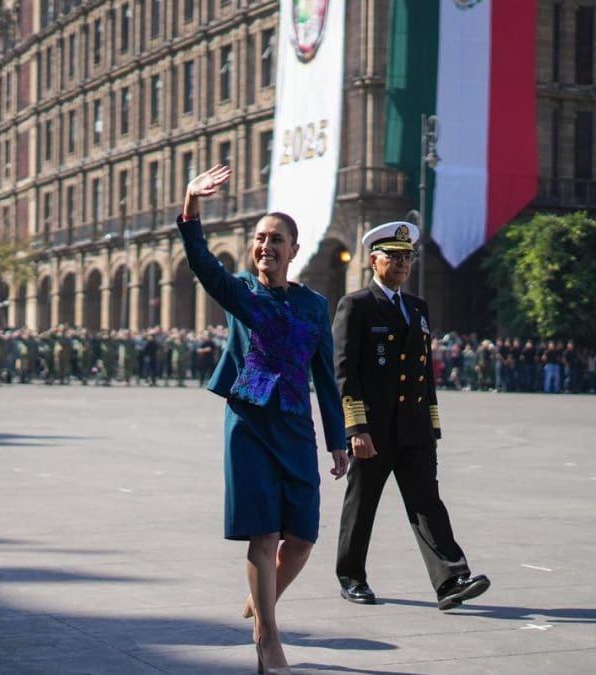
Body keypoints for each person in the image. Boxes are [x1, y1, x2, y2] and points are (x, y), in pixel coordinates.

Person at [177, 165, 348, 675]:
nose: (265, 246)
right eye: (259, 238)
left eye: (276, 239)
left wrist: (337, 441)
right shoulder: (241, 293)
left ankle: (262, 599)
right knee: (265, 534)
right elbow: (201, 262)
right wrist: (192, 204)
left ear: (296, 249)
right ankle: (267, 637)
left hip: (296, 426)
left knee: (302, 540)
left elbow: (326, 378)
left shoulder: (315, 306)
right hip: (249, 423)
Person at [332, 220, 489, 611]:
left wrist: (432, 425)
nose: (403, 263)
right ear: (373, 260)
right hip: (374, 430)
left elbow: (423, 374)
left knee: (427, 503)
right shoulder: (357, 305)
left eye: (408, 257)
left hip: (414, 428)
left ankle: (451, 579)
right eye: (394, 256)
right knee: (362, 504)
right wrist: (356, 427)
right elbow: (344, 372)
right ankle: (351, 576)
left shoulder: (417, 308)